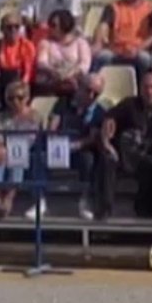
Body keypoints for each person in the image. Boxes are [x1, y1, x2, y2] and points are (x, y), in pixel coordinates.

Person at [103, 71, 152, 217]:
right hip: (127, 155)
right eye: (145, 87)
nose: (149, 92)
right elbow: (109, 116)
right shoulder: (129, 104)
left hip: (150, 156)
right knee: (108, 159)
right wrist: (108, 129)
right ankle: (106, 208)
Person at [49, 73, 109, 220]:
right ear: (80, 87)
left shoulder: (99, 111)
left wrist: (75, 145)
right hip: (59, 145)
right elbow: (52, 126)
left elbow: (92, 137)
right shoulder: (63, 103)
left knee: (88, 159)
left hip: (80, 148)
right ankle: (40, 199)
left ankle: (85, 199)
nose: (91, 95)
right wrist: (56, 141)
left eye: (96, 93)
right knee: (40, 155)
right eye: (88, 90)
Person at [0, 80, 45, 218]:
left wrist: (7, 148)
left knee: (17, 158)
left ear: (27, 98)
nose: (15, 102)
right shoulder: (2, 116)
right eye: (11, 98)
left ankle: (8, 199)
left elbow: (30, 140)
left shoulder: (34, 117)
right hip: (5, 150)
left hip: (25, 151)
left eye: (19, 97)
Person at [91, 0, 152, 77]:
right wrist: (97, 42)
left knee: (144, 59)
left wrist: (138, 49)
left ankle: (143, 92)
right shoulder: (113, 7)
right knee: (101, 57)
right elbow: (103, 26)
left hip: (139, 50)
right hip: (116, 51)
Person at [34, 10, 92, 98]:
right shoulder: (46, 43)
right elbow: (42, 62)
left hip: (75, 77)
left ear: (64, 25)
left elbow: (84, 65)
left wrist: (70, 74)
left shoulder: (80, 43)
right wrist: (54, 72)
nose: (49, 27)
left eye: (53, 25)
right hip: (53, 78)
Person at [0, 10, 38, 87]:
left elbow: (28, 71)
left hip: (22, 85)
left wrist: (21, 86)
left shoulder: (27, 45)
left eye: (16, 27)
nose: (13, 30)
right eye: (9, 27)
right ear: (2, 29)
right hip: (2, 83)